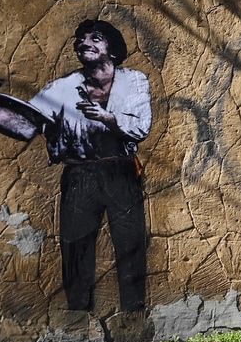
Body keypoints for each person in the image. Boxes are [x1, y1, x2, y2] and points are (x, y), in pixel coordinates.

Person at [29, 19, 152, 314]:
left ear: (113, 49)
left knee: (131, 246)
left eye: (95, 38)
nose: (84, 42)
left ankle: (133, 317)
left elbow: (141, 128)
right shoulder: (62, 87)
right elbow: (29, 118)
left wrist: (107, 117)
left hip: (121, 172)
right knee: (76, 249)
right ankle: (78, 318)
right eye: (80, 39)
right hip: (79, 175)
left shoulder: (134, 81)